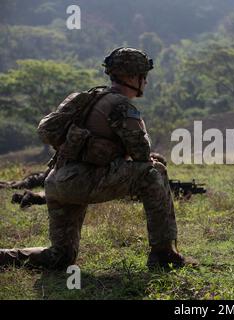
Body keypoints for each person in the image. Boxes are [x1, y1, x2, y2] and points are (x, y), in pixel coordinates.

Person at [0, 47, 196, 270]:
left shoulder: (88, 98)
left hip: (57, 182)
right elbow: (142, 154)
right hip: (83, 181)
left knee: (61, 256)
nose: (146, 83)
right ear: (133, 77)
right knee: (155, 171)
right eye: (144, 77)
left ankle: (5, 257)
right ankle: (163, 253)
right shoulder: (121, 106)